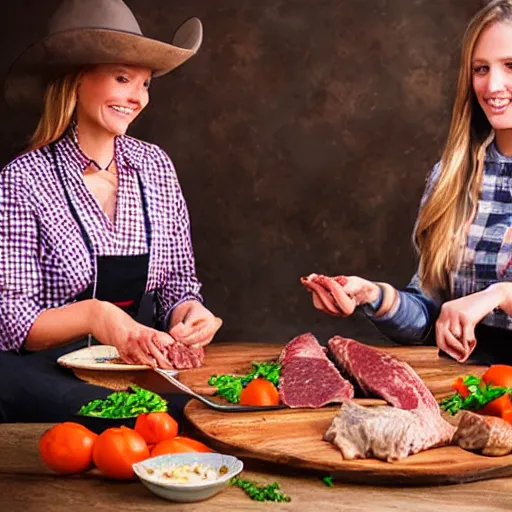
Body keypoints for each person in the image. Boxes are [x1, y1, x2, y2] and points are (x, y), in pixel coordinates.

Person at [0, 0, 221, 422]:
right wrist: (99, 316)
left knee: (201, 412)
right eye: (123, 79)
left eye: (146, 84)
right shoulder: (22, 180)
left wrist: (190, 312)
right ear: (77, 80)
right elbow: (12, 323)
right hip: (45, 374)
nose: (136, 98)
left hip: (138, 369)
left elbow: (177, 281)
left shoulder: (156, 167)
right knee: (132, 418)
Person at [303, 0, 512, 365]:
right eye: (481, 68)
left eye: (510, 66)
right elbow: (428, 319)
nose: (493, 84)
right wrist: (374, 296)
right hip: (463, 395)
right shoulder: (450, 177)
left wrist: (500, 294)